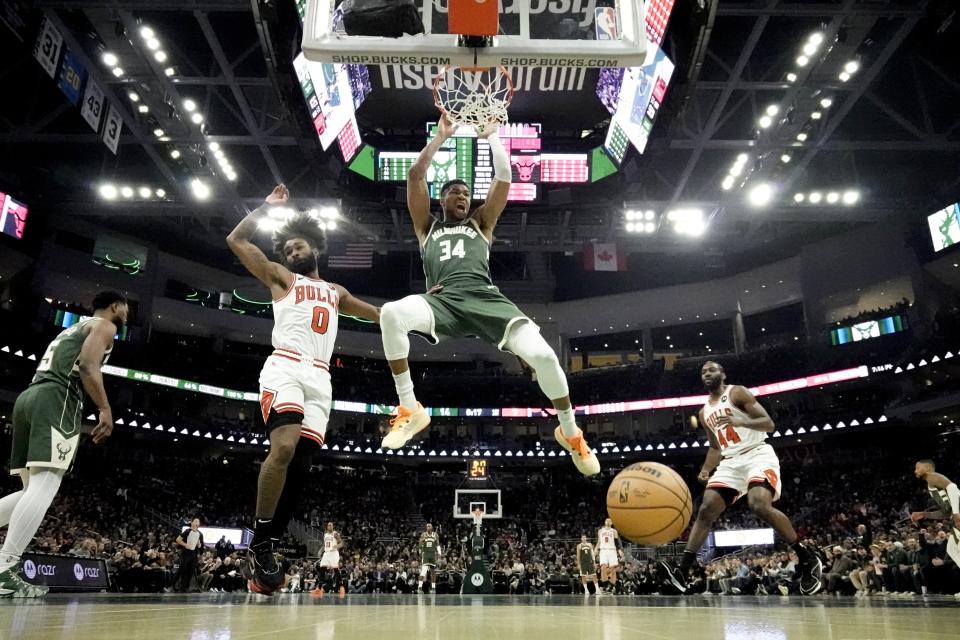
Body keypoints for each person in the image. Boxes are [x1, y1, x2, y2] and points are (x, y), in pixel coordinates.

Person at [376, 116, 599, 477]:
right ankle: (410, 408)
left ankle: (570, 433)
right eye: (455, 192)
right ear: (443, 198)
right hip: (442, 301)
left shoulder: (482, 224)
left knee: (544, 356)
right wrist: (440, 136)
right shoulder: (426, 228)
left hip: (485, 298)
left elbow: (505, 178)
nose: (463, 196)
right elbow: (416, 176)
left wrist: (494, 137)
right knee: (390, 314)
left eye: (466, 193)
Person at [226, 184, 381, 594]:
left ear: (316, 247)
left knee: (301, 468)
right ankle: (259, 540)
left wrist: (424, 309)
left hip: (321, 379)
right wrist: (264, 206)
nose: (293, 254)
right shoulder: (280, 277)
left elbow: (381, 315)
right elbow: (236, 240)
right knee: (283, 449)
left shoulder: (337, 292)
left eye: (298, 248)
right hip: (286, 367)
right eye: (289, 250)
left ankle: (267, 548)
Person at [0, 291, 128, 598]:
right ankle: (5, 569)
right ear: (115, 306)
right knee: (45, 486)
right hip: (58, 398)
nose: (128, 315)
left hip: (30, 396)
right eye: (126, 308)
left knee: (30, 491)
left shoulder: (73, 327)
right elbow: (87, 365)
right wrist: (106, 409)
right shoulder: (105, 326)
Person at [659, 361, 822, 595]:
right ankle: (682, 571)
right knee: (706, 509)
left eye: (711, 370)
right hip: (730, 462)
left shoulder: (737, 392)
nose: (707, 373)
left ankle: (807, 557)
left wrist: (741, 420)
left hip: (757, 454)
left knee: (758, 504)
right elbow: (715, 447)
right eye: (703, 371)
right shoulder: (704, 412)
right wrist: (706, 469)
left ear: (722, 374)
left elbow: (769, 424)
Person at [911, 460, 960, 569]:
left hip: (958, 514)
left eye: (918, 468)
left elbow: (952, 487)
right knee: (952, 549)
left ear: (928, 467)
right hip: (955, 514)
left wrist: (956, 514)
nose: (915, 471)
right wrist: (924, 514)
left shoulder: (932, 476)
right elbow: (946, 512)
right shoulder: (931, 484)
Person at [311, 521, 344, 596]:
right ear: (327, 527)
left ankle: (342, 587)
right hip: (326, 553)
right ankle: (319, 589)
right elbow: (325, 545)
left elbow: (341, 543)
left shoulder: (335, 534)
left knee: (335, 569)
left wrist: (337, 546)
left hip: (334, 553)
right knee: (322, 569)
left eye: (331, 525)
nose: (330, 526)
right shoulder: (325, 534)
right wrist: (321, 551)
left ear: (333, 527)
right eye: (329, 525)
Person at [173, 518, 205, 592]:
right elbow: (178, 540)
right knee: (181, 570)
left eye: (198, 522)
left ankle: (185, 587)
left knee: (190, 571)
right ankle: (173, 585)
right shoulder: (187, 531)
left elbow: (200, 546)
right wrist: (185, 544)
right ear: (192, 522)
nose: (196, 523)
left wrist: (199, 545)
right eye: (195, 521)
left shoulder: (200, 534)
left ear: (199, 524)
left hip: (194, 554)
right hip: (186, 553)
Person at [595, 518, 623, 594]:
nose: (608, 521)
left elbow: (617, 543)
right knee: (603, 568)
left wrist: (620, 551)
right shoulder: (600, 531)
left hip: (612, 550)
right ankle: (606, 585)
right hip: (603, 550)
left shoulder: (614, 531)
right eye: (607, 520)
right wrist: (595, 550)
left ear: (611, 523)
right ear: (604, 522)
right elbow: (599, 542)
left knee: (613, 570)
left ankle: (610, 588)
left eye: (610, 521)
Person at [418, 523, 440, 593]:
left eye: (429, 526)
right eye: (427, 526)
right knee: (423, 571)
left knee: (433, 572)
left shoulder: (435, 535)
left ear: (432, 527)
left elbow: (438, 544)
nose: (428, 527)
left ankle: (433, 588)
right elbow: (420, 544)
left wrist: (439, 553)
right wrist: (420, 551)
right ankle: (419, 587)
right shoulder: (423, 534)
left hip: (433, 554)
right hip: (426, 554)